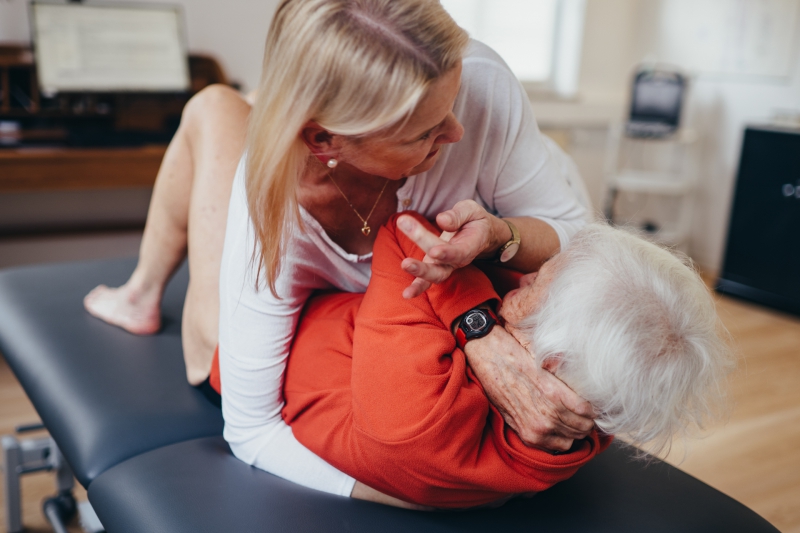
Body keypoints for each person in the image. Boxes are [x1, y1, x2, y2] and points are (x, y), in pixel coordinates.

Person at [84, 0, 594, 501]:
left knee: (214, 105)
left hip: (371, 337)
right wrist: (403, 497)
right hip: (315, 344)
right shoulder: (268, 212)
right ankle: (142, 291)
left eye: (454, 101)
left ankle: (139, 292)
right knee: (216, 106)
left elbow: (579, 235)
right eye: (424, 133)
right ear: (323, 139)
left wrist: (502, 234)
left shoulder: (479, 79)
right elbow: (250, 427)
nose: (458, 131)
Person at [273, 213, 732, 508]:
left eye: (538, 281)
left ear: (551, 359)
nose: (525, 276)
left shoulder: (420, 411)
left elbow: (404, 232)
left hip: (284, 336)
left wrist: (475, 325)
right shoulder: (585, 415)